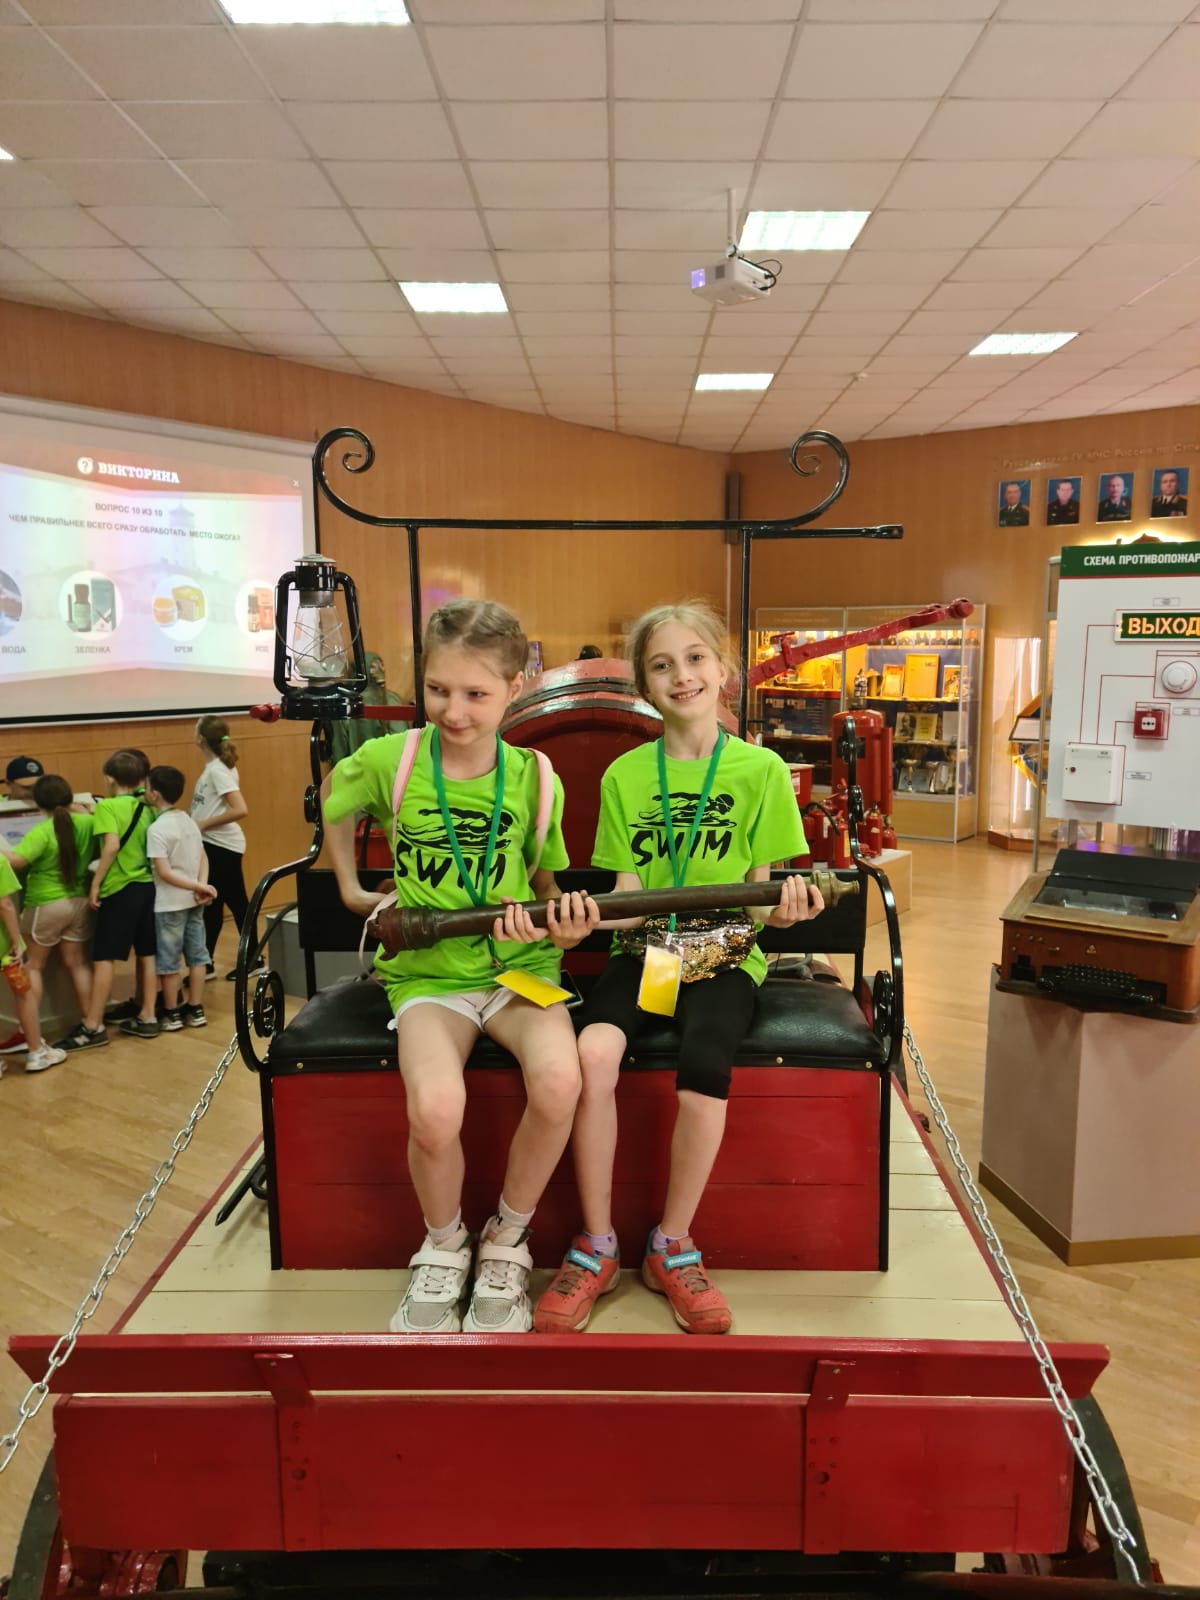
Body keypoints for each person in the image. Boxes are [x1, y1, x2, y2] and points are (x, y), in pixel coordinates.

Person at [534, 601, 822, 1337]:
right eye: (662, 665)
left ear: (723, 669)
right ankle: (597, 1245)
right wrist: (582, 921)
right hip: (655, 956)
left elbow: (762, 898)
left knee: (703, 1067)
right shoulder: (628, 775)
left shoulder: (760, 770)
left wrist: (786, 912)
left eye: (695, 658)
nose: (682, 675)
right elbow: (628, 899)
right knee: (594, 1053)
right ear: (644, 685)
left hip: (725, 953)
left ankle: (671, 1244)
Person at [321, 598, 598, 1335]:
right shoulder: (392, 760)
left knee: (560, 1081)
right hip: (429, 975)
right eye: (438, 689)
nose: (454, 711)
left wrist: (561, 922)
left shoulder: (536, 777)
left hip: (517, 970)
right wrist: (351, 889)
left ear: (515, 687)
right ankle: (443, 1245)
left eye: (476, 693)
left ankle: (506, 1238)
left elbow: (545, 885)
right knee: (436, 1111)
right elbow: (333, 800)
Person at [57, 750, 155, 1050]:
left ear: (109, 778)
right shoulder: (146, 805)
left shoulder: (108, 807)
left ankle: (92, 1025)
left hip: (118, 888)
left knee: (103, 958)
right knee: (147, 952)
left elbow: (111, 845)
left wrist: (96, 884)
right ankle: (148, 1015)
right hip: (146, 886)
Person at [1, 774, 95, 1052]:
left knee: (32, 967)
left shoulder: (41, 831)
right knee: (77, 963)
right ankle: (91, 1023)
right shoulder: (87, 823)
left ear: (37, 802)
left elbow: (16, 860)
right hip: (78, 903)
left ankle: (29, 1033)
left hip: (45, 905)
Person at [145, 765, 215, 1033]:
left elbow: (164, 872)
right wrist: (201, 886)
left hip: (169, 904)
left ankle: (171, 1012)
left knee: (169, 961)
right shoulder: (188, 821)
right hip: (194, 901)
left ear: (154, 794)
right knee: (198, 956)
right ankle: (195, 1008)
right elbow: (203, 857)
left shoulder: (157, 829)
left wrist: (197, 886)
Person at [191, 716, 251, 980]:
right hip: (213, 845)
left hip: (223, 846)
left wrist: (203, 824)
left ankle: (253, 959)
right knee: (212, 905)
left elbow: (240, 809)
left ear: (201, 739)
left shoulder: (217, 771)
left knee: (238, 904)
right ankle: (206, 963)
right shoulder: (215, 768)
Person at [0, 850, 67, 1074]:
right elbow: (5, 904)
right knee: (24, 993)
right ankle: (36, 1052)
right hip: (5, 949)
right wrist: (17, 941)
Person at [329, 650, 408, 766]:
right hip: (390, 771)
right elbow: (403, 744)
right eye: (376, 667)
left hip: (354, 772)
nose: (382, 670)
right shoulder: (392, 700)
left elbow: (339, 752)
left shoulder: (345, 705)